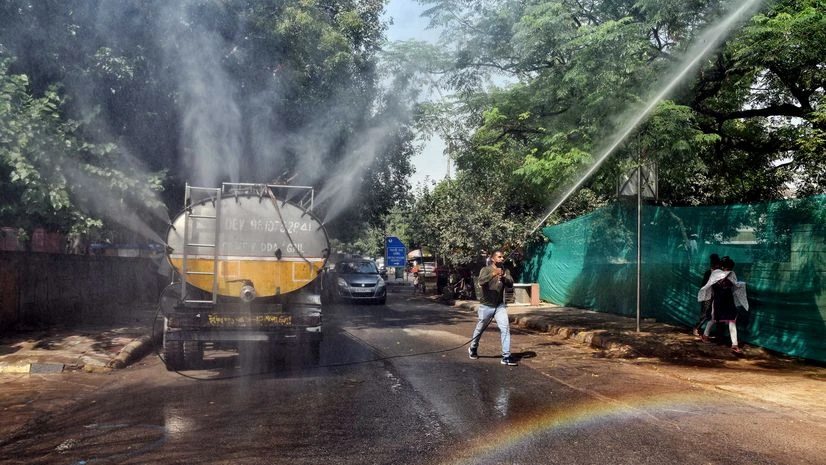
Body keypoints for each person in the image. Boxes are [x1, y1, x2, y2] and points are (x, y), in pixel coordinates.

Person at [468, 250, 517, 366]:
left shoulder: (505, 270)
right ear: (493, 259)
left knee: (505, 329)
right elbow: (480, 282)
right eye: (499, 257)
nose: (502, 258)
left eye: (503, 257)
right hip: (486, 306)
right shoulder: (485, 270)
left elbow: (511, 283)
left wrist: (504, 276)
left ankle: (506, 357)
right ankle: (473, 348)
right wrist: (493, 274)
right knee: (480, 329)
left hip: (499, 306)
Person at [698, 256, 749, 354]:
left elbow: (735, 285)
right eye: (727, 267)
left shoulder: (731, 274)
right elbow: (710, 285)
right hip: (718, 300)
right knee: (714, 318)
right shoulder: (715, 274)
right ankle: (705, 336)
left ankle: (734, 344)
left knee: (731, 320)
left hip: (728, 301)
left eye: (730, 268)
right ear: (722, 267)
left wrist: (737, 283)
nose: (728, 269)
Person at [693, 253, 721, 336]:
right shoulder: (708, 273)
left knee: (716, 314)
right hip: (708, 296)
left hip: (716, 296)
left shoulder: (720, 273)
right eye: (714, 265)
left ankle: (716, 332)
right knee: (705, 314)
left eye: (717, 265)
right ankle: (697, 328)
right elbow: (704, 285)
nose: (716, 267)